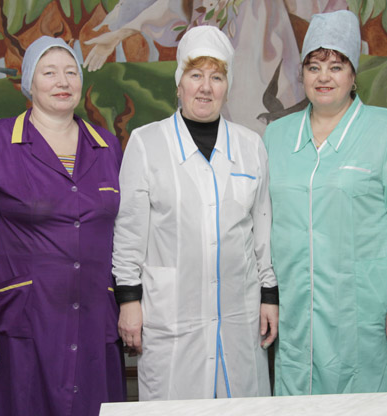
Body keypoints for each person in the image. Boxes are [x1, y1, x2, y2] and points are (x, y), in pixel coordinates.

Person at [263, 10, 387, 395]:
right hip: (297, 313)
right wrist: (266, 297)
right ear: (301, 74)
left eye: (336, 66)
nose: (323, 77)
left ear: (353, 75)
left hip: (366, 312)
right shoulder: (276, 137)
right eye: (313, 67)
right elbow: (261, 225)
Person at [0, 36, 126, 415]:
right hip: (24, 323)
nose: (62, 82)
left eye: (71, 72)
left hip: (94, 320)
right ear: (29, 83)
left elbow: (125, 236)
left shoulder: (107, 146)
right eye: (49, 72)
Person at [112, 25, 278, 400]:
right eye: (195, 75)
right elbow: (129, 234)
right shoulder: (146, 143)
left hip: (239, 315)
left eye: (217, 77)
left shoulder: (250, 146)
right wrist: (128, 303)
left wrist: (269, 295)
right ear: (179, 83)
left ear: (227, 87)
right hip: (171, 320)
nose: (205, 87)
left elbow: (262, 233)